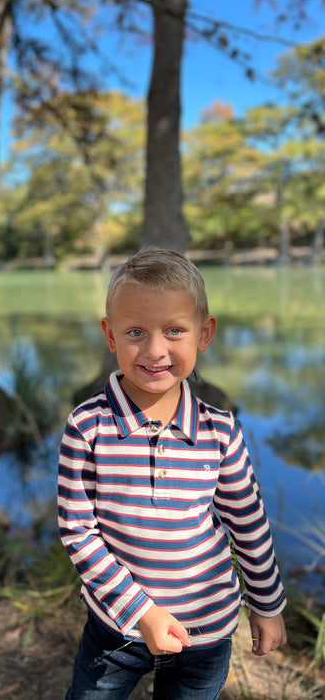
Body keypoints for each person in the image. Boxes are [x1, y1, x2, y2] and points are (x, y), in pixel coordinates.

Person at [58, 247, 287, 700]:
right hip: (117, 627)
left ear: (205, 333)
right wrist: (142, 611)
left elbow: (248, 524)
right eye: (136, 332)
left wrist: (267, 605)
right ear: (110, 335)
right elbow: (78, 531)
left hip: (206, 630)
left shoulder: (220, 431)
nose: (155, 350)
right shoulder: (87, 427)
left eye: (175, 330)